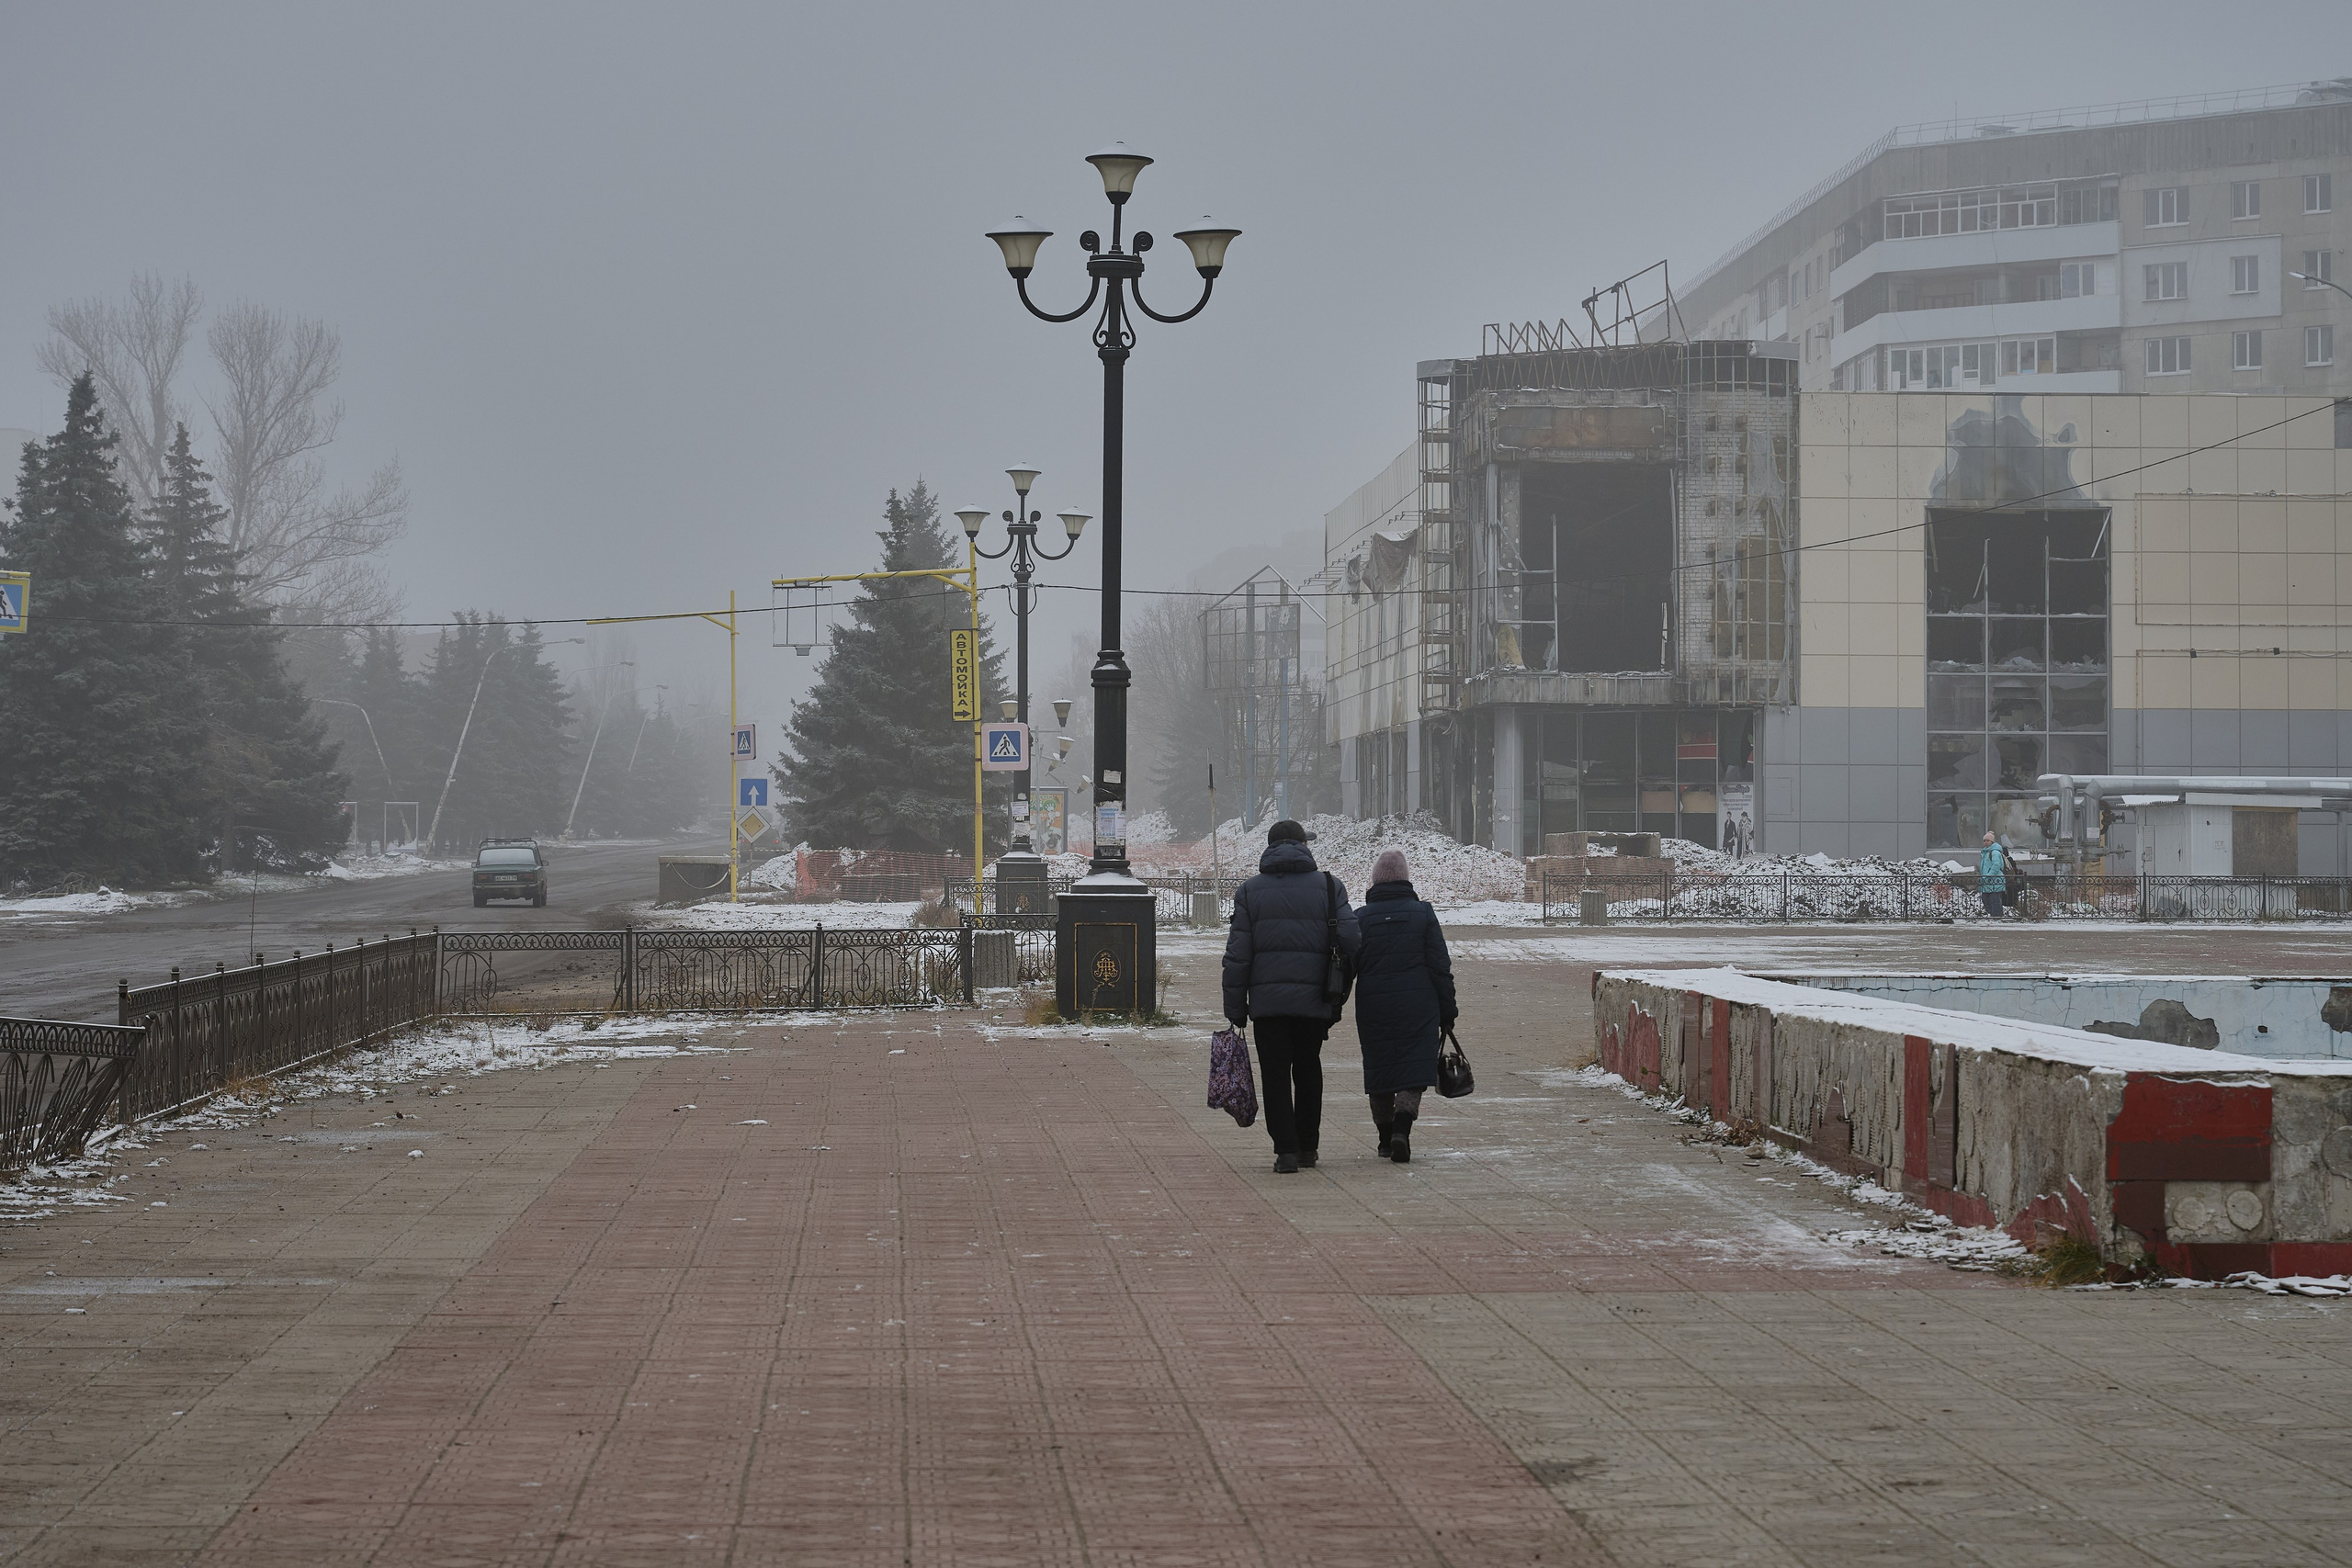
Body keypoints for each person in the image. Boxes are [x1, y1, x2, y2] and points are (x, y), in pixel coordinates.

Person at [1223, 818, 1360, 1174]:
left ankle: (1285, 1151)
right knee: (1308, 1069)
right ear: (1303, 847)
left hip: (1267, 1007)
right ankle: (1308, 1148)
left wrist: (1236, 1009)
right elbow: (1352, 940)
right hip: (1314, 1000)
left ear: (1269, 849)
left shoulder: (1250, 891)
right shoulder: (1330, 887)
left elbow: (1238, 955)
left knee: (1275, 1075)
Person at [1351, 848, 1457, 1164]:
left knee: (1379, 1067)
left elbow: (1347, 966)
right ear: (1406, 879)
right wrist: (1448, 1010)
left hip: (1372, 1003)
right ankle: (1401, 1129)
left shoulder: (1359, 918)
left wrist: (1332, 1006)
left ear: (1375, 881)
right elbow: (1440, 966)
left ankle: (1385, 1140)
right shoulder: (1423, 913)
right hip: (1418, 1003)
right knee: (1413, 1068)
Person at [1977, 830, 2007, 917]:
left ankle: (1997, 917)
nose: (1985, 842)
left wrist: (1988, 875)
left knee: (1995, 900)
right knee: (1986, 899)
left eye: (1987, 841)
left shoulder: (1994, 852)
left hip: (1995, 880)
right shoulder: (1986, 852)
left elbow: (1996, 865)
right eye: (1984, 841)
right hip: (1988, 880)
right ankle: (1994, 915)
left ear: (1992, 841)